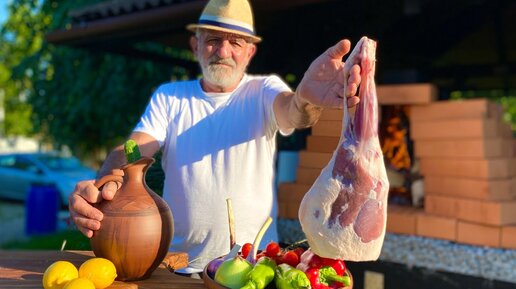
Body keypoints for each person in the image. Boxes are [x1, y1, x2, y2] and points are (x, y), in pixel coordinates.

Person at [68, 0, 363, 274]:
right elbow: (134, 148)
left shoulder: (263, 91)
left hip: (251, 269)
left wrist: (306, 98)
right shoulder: (171, 98)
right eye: (212, 40)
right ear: (195, 45)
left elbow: (294, 112)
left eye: (235, 42)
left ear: (250, 52)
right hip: (176, 267)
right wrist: (106, 182)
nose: (223, 51)